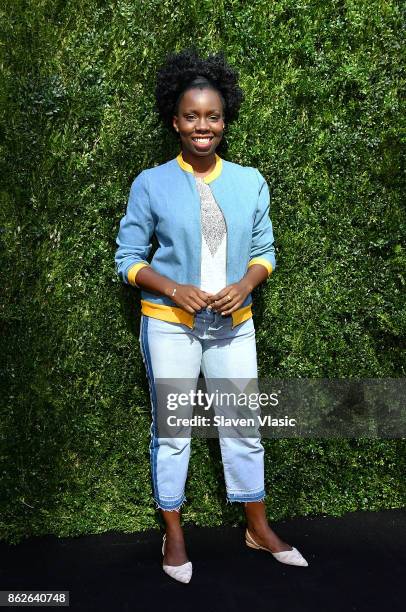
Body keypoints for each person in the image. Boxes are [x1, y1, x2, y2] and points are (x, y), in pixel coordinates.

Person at [115, 48, 308, 583]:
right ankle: (173, 534)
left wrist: (245, 285)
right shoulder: (151, 183)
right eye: (192, 116)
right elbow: (127, 259)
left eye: (214, 115)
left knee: (243, 426)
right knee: (174, 431)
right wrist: (175, 288)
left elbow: (265, 251)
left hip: (233, 325)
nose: (204, 126)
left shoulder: (250, 181)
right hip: (168, 324)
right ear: (175, 121)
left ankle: (258, 528)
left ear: (226, 119)